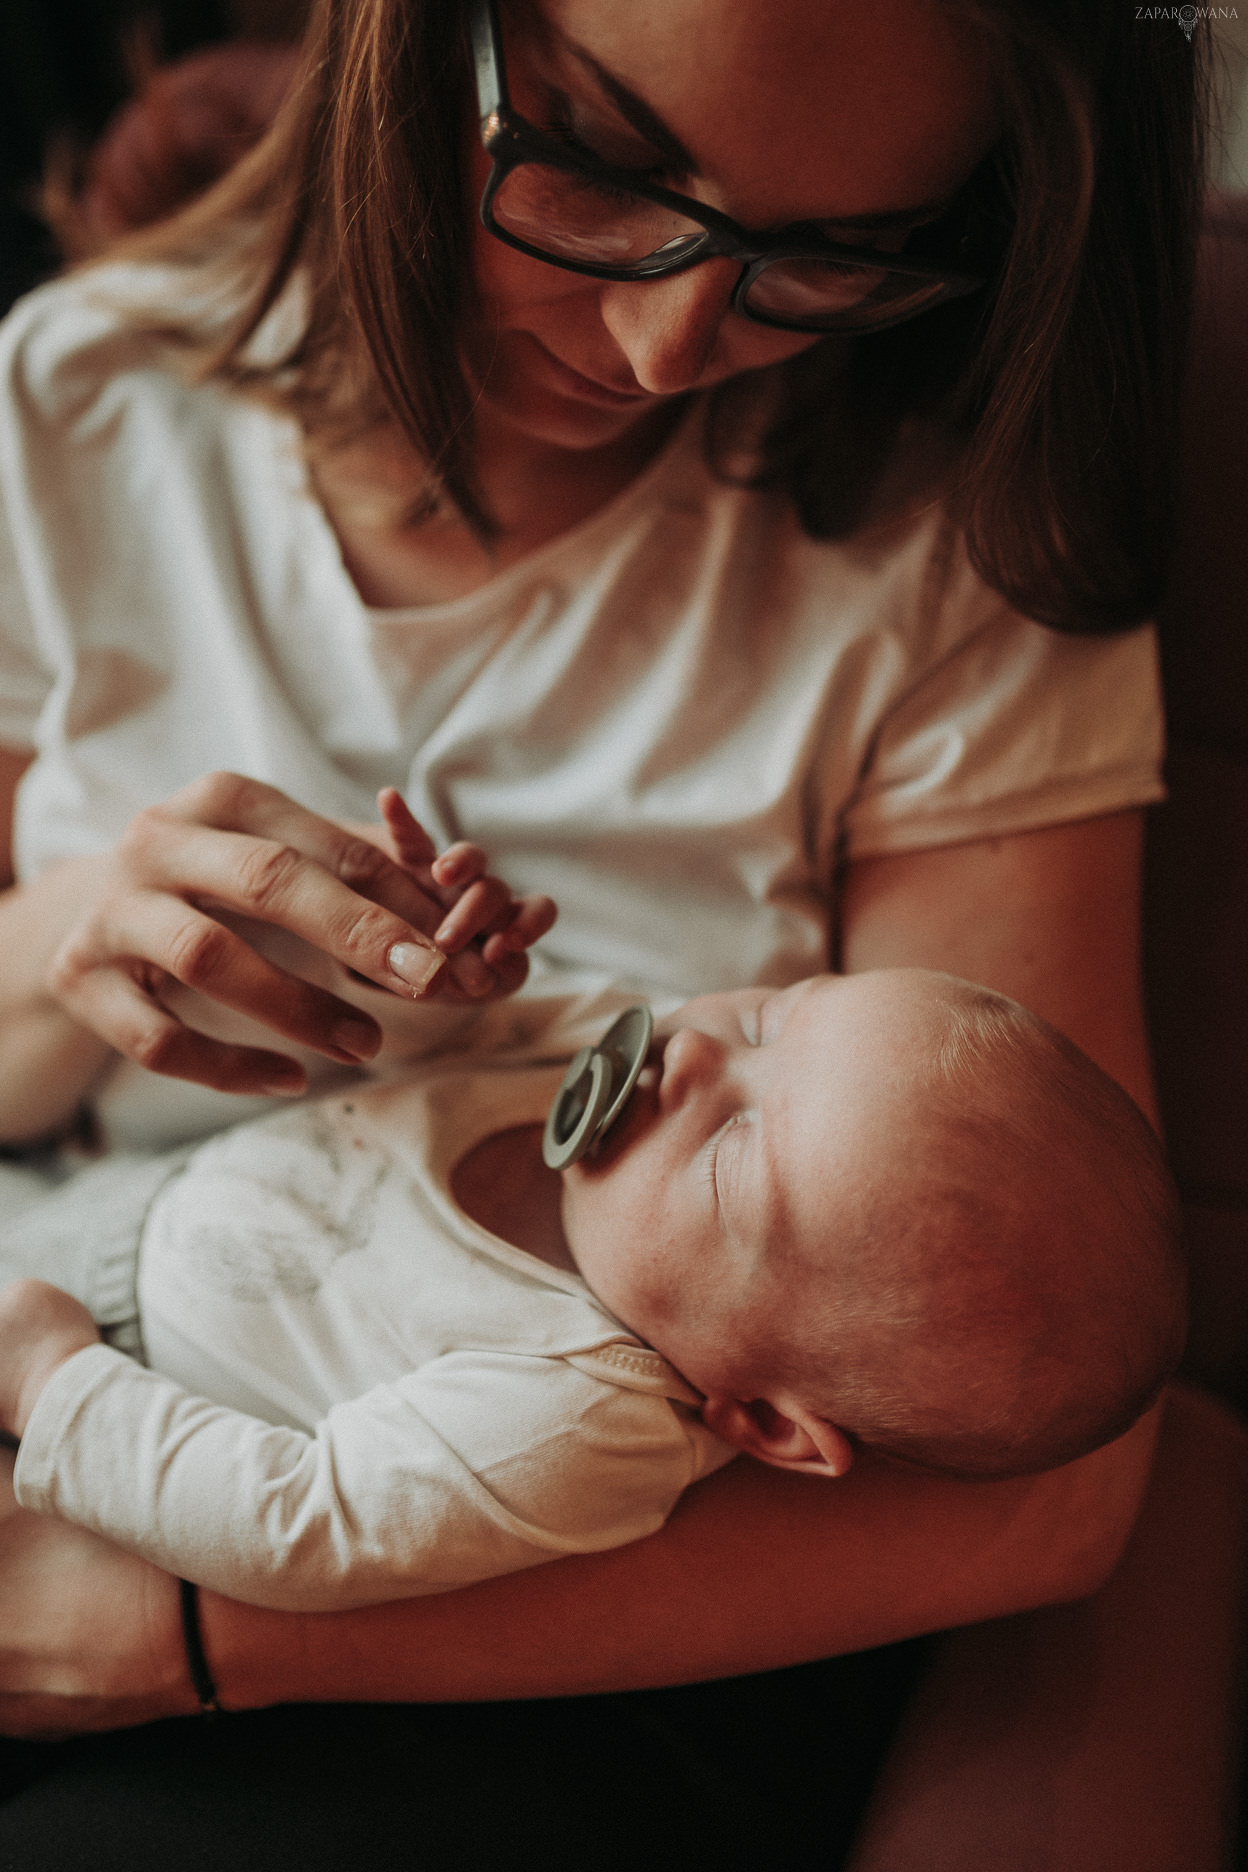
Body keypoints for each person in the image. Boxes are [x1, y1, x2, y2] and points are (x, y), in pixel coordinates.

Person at [0, 0, 1238, 1866]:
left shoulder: (953, 553)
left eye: (827, 254)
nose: (667, 344)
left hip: (514, 1622)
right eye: (599, 161)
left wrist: (171, 1637)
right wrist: (71, 944)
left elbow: (1044, 1459)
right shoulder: (74, 395)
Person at [0, 968, 1184, 1610]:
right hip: (80, 1206)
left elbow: (303, 1527)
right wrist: (435, 964)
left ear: (763, 1417)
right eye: (778, 1015)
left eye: (735, 1149)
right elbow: (431, 1027)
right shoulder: (629, 1065)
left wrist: (61, 1387)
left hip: (101, 1404)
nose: (704, 1051)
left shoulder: (578, 1416)